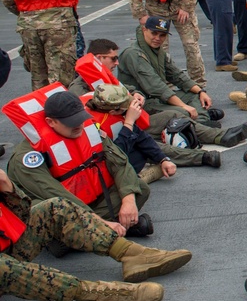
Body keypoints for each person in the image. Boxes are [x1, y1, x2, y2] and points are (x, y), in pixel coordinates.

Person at [0, 169, 190, 301]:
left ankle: (131, 255)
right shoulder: (25, 158)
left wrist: (7, 187)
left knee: (55, 208)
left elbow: (22, 215)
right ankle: (100, 292)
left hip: (8, 249)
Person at [5, 87, 157, 237]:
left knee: (138, 188)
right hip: (61, 205)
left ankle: (86, 236)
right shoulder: (27, 157)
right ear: (50, 122)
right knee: (46, 210)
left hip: (91, 199)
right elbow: (55, 195)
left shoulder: (89, 130)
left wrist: (128, 201)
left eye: (80, 119)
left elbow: (119, 162)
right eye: (71, 122)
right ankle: (102, 231)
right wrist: (97, 222)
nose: (79, 125)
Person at [69, 38, 243, 149]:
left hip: (130, 120)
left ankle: (213, 132)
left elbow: (125, 88)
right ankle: (214, 137)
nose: (117, 63)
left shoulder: (103, 78)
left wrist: (135, 94)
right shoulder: (79, 89)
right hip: (120, 130)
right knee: (175, 117)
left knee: (177, 113)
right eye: (113, 58)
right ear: (99, 58)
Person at [84, 84, 220, 185]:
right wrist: (129, 123)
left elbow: (142, 138)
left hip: (119, 147)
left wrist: (163, 159)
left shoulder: (111, 108)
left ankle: (148, 171)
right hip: (104, 165)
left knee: (144, 148)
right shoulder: (92, 125)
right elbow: (114, 157)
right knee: (135, 153)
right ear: (113, 111)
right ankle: (136, 180)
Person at [118, 18, 224, 129]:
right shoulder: (133, 54)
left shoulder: (157, 51)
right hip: (144, 102)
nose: (157, 38)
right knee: (181, 111)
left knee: (194, 96)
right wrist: (183, 106)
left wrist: (201, 91)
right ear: (145, 30)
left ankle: (201, 121)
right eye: (154, 33)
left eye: (162, 35)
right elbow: (156, 86)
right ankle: (199, 121)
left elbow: (177, 75)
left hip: (158, 98)